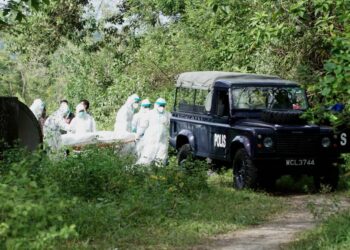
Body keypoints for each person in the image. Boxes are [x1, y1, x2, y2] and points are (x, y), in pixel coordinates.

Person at [136, 98, 171, 165]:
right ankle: (140, 171)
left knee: (161, 158)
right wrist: (138, 134)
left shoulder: (167, 114)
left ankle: (159, 173)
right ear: (156, 105)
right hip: (151, 140)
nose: (162, 107)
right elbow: (143, 126)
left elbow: (169, 125)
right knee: (147, 157)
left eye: (163, 106)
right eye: (160, 105)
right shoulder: (150, 113)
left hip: (162, 141)